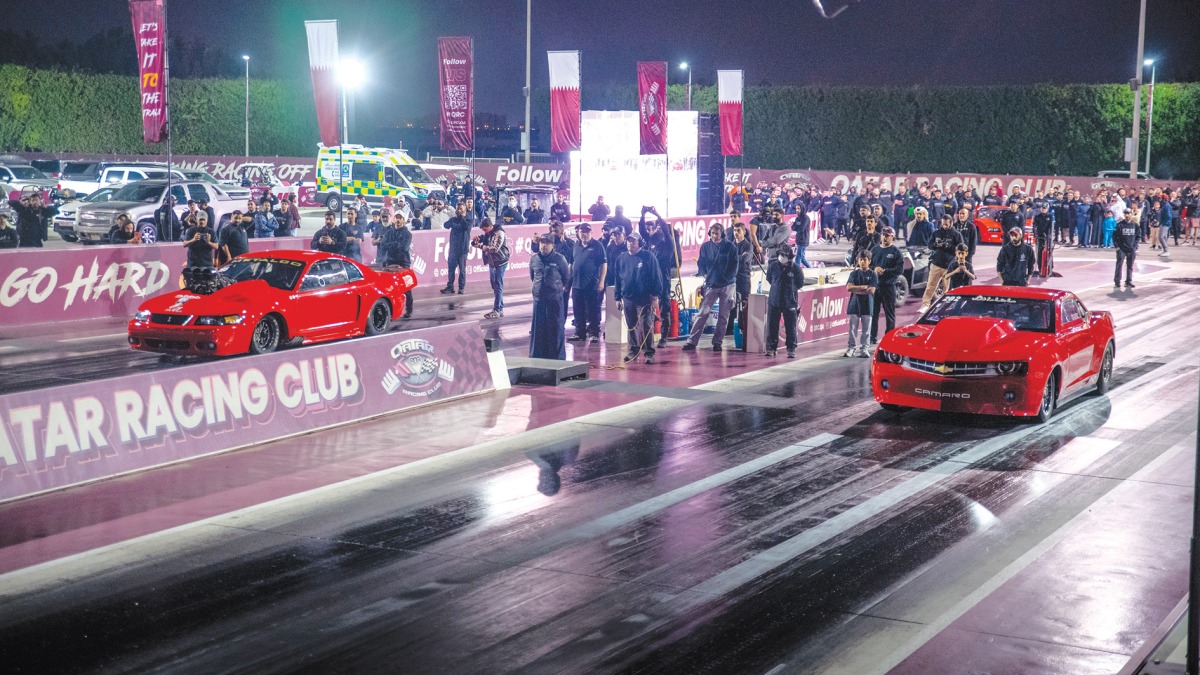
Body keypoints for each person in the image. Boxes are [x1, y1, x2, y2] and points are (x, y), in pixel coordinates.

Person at [682, 223, 739, 353]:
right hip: (711, 285)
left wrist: (726, 277)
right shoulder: (706, 247)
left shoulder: (730, 247)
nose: (714, 236)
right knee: (702, 313)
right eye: (712, 233)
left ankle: (717, 342)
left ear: (722, 234)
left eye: (717, 233)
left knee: (723, 316)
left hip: (728, 285)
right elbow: (701, 263)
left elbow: (734, 266)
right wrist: (704, 273)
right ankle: (692, 341)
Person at [613, 232, 662, 364]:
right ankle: (633, 351)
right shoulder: (621, 258)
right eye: (629, 241)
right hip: (628, 298)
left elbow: (656, 277)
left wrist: (655, 297)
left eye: (633, 241)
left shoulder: (648, 257)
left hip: (645, 299)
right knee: (631, 326)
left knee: (646, 326)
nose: (630, 244)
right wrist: (617, 297)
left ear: (639, 243)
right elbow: (617, 279)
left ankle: (649, 353)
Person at [639, 207, 681, 348]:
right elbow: (642, 231)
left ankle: (664, 336)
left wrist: (657, 214)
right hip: (649, 281)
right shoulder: (651, 243)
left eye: (659, 229)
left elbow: (665, 229)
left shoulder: (668, 245)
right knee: (647, 307)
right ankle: (647, 335)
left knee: (665, 308)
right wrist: (643, 215)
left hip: (663, 280)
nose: (656, 230)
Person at [529, 234, 570, 360]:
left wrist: (557, 289)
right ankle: (537, 356)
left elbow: (566, 277)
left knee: (556, 329)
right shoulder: (534, 259)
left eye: (547, 243)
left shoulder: (560, 259)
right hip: (539, 299)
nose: (544, 246)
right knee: (538, 329)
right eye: (542, 243)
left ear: (553, 245)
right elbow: (533, 276)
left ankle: (557, 358)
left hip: (554, 299)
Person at [569, 223, 607, 344]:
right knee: (577, 309)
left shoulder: (597, 246)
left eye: (586, 231)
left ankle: (594, 333)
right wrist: (568, 280)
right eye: (582, 232)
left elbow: (604, 264)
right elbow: (571, 263)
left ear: (591, 233)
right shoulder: (576, 245)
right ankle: (580, 332)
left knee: (593, 309)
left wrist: (601, 282)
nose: (584, 234)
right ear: (578, 233)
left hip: (591, 284)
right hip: (577, 284)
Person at [764, 245, 804, 358]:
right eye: (781, 255)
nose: (782, 257)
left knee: (790, 327)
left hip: (790, 301)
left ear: (790, 257)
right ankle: (771, 348)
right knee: (772, 326)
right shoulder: (773, 266)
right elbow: (770, 279)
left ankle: (791, 349)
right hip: (774, 300)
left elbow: (800, 283)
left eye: (785, 255)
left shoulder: (796, 268)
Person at [919, 215, 964, 311]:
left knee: (946, 288)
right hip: (936, 263)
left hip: (949, 265)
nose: (944, 226)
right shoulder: (936, 233)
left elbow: (961, 249)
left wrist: (949, 246)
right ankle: (925, 304)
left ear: (951, 222)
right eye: (943, 224)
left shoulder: (957, 234)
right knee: (930, 285)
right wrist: (936, 244)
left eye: (946, 224)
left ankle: (944, 307)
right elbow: (930, 245)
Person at [869, 227, 903, 345]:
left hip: (888, 286)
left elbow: (899, 269)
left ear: (892, 237)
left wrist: (885, 271)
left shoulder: (896, 252)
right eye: (883, 235)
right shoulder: (875, 250)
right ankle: (872, 337)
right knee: (874, 313)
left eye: (887, 235)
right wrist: (874, 269)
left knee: (890, 313)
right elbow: (869, 265)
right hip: (876, 287)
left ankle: (889, 337)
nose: (885, 237)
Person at [378, 214, 414, 318]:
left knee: (406, 287)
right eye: (396, 218)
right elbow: (383, 246)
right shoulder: (388, 232)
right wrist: (396, 244)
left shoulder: (407, 234)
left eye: (400, 218)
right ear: (393, 220)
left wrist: (391, 245)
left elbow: (404, 248)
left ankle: (409, 310)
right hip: (390, 261)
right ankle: (392, 311)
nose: (398, 220)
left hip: (403, 262)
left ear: (403, 220)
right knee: (390, 287)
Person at [473, 218, 509, 319]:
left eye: (485, 229)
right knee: (495, 285)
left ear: (490, 226)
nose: (484, 232)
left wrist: (481, 246)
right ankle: (500, 308)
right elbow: (486, 238)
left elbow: (495, 248)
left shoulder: (499, 233)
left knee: (497, 285)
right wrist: (478, 239)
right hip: (492, 262)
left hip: (500, 261)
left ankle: (497, 309)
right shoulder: (489, 233)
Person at [845, 252, 877, 358]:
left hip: (867, 305)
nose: (862, 262)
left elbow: (872, 290)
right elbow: (849, 288)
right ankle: (851, 348)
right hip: (854, 304)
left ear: (869, 261)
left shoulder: (873, 274)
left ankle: (864, 349)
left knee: (866, 329)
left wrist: (856, 288)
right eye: (860, 260)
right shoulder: (853, 274)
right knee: (852, 328)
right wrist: (864, 287)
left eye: (865, 260)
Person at [441, 203, 474, 295]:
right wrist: (454, 219)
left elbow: (466, 227)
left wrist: (462, 217)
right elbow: (446, 225)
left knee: (462, 269)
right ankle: (450, 286)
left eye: (461, 209)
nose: (459, 210)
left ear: (465, 210)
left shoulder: (468, 220)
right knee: (451, 269)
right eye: (458, 209)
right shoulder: (453, 219)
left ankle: (461, 287)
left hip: (462, 250)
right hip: (453, 249)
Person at [1114, 207, 1140, 290]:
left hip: (1131, 249)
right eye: (1125, 213)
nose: (1127, 215)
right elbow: (1114, 236)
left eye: (1128, 213)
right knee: (1119, 265)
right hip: (1121, 248)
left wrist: (1135, 246)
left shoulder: (1135, 225)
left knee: (1130, 266)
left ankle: (1128, 281)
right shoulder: (1120, 225)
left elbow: (1138, 236)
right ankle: (1117, 282)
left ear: (1131, 214)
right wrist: (1117, 246)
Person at [1032, 202, 1053, 277]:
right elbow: (1034, 226)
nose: (1043, 210)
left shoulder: (1050, 216)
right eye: (1042, 208)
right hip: (1040, 237)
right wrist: (1035, 234)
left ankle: (1050, 268)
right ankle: (1040, 268)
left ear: (1047, 209)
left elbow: (1051, 226)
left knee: (1049, 252)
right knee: (1039, 252)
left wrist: (1050, 235)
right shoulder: (1037, 216)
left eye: (1045, 209)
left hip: (1048, 237)